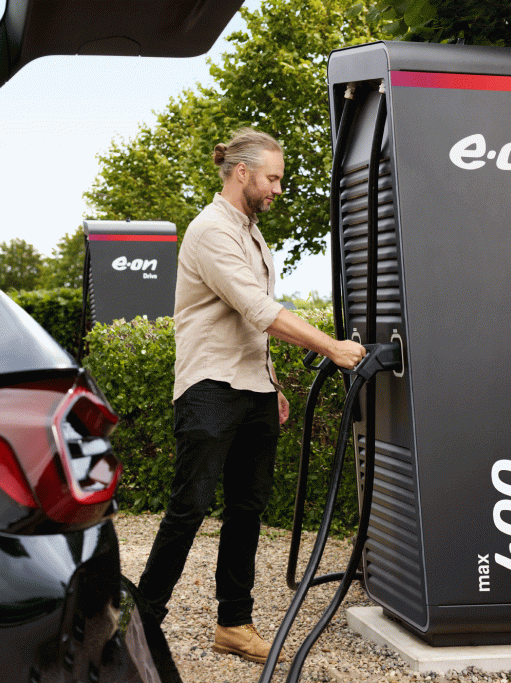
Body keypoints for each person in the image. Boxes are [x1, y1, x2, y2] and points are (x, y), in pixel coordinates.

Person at [137, 128, 367, 664]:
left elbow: (254, 323)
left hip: (252, 389)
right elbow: (257, 309)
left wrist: (273, 382)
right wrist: (331, 346)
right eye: (273, 178)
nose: (278, 188)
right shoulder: (211, 231)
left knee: (248, 510)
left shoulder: (252, 233)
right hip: (211, 388)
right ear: (241, 173)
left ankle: (234, 625)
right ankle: (143, 623)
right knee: (188, 507)